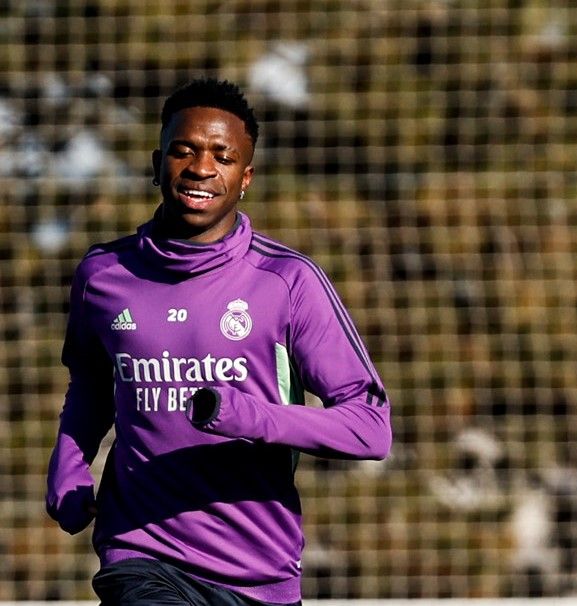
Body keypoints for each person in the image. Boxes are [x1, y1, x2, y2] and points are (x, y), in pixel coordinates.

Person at [45, 78, 391, 605]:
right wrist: (68, 461)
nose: (201, 169)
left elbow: (370, 430)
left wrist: (246, 415)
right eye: (184, 151)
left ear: (245, 176)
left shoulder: (287, 282)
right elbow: (92, 384)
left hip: (259, 568)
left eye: (222, 157)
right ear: (158, 161)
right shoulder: (104, 274)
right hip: (139, 549)